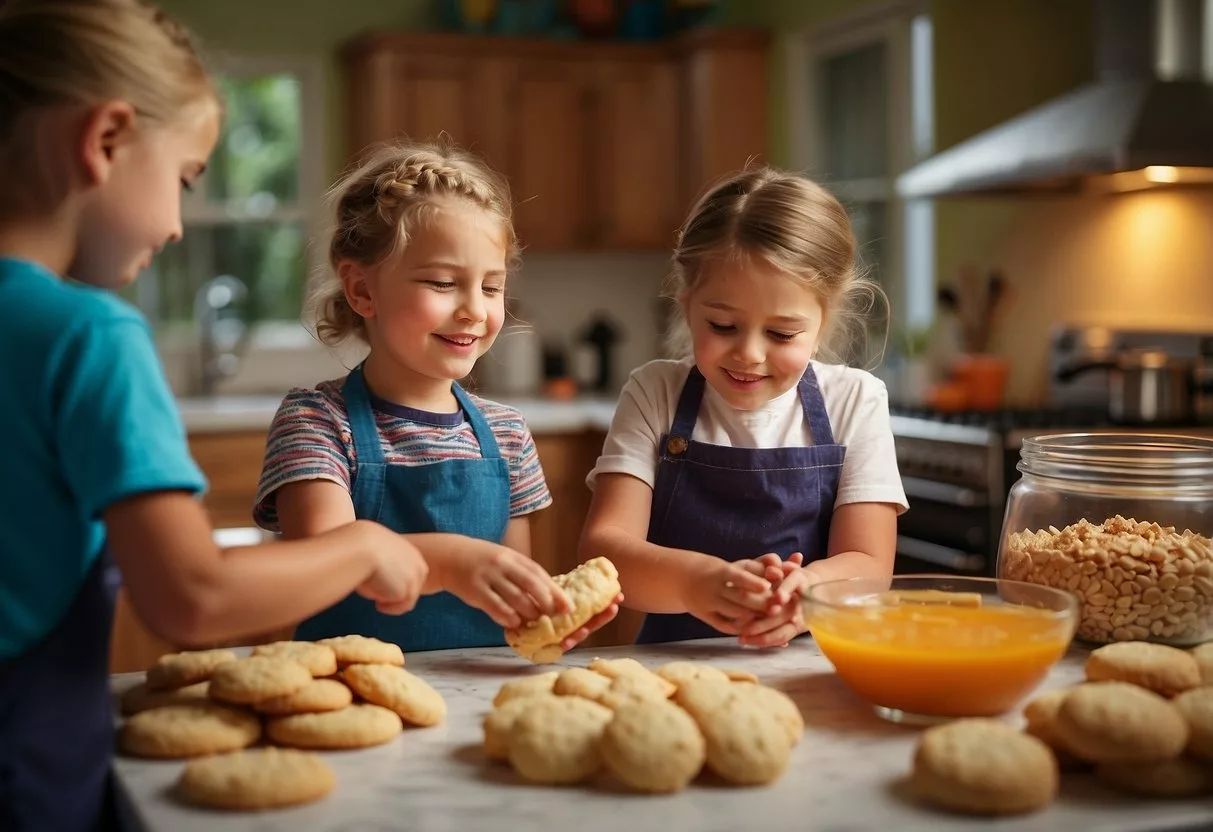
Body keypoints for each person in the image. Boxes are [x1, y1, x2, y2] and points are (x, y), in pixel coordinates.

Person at [0, 2, 430, 830]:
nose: (172, 223)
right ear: (105, 140)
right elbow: (191, 596)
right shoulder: (86, 335)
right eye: (185, 178)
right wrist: (366, 544)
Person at [254, 140, 621, 652]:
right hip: (349, 693)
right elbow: (325, 562)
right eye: (444, 283)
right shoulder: (317, 422)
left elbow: (514, 594)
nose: (475, 309)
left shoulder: (508, 435)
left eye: (491, 287)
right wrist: (451, 562)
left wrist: (550, 618)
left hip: (477, 698)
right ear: (361, 290)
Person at [580, 166, 908, 648]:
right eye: (723, 325)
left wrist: (807, 593)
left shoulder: (855, 400)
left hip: (811, 666)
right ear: (687, 302)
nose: (750, 353)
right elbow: (604, 552)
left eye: (781, 333)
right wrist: (695, 582)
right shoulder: (655, 393)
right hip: (672, 669)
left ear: (824, 319)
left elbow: (869, 565)